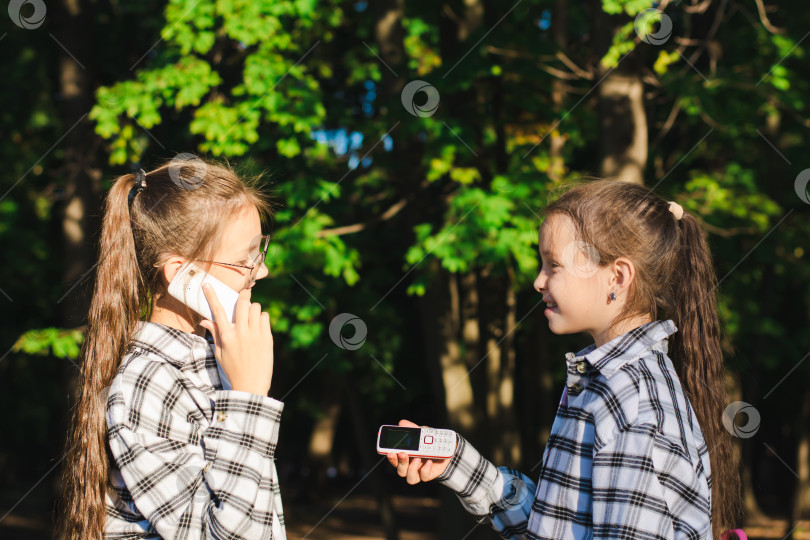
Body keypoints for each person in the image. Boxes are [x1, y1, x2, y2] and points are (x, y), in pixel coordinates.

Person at [388, 179, 741, 539]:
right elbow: (556, 526)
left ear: (616, 278)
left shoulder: (631, 403)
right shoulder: (604, 384)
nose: (538, 281)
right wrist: (457, 463)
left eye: (553, 265)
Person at [60, 158, 285, 539]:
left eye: (259, 249)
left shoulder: (215, 359)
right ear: (183, 274)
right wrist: (249, 400)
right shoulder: (148, 384)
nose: (260, 270)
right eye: (243, 260)